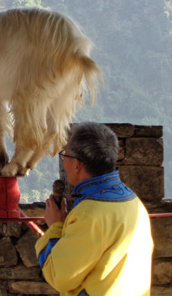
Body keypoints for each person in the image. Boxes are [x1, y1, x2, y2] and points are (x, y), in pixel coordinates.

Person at [35, 122, 154, 295]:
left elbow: (60, 276)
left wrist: (55, 227)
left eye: (64, 156)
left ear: (77, 165)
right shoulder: (134, 202)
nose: (64, 162)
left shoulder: (89, 215)